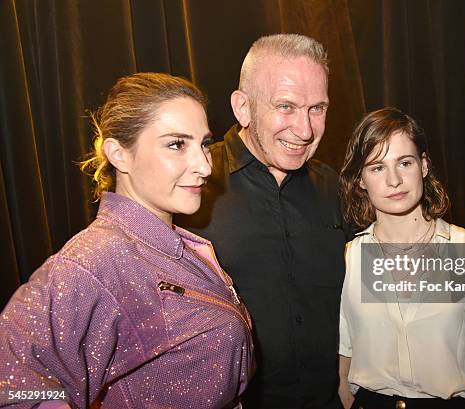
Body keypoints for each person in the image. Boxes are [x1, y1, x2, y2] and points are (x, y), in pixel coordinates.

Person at [0, 73, 253, 408]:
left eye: (203, 143)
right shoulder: (95, 260)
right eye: (177, 144)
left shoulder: (177, 245)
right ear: (119, 154)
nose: (205, 165)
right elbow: (12, 388)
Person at [178, 34, 349, 408]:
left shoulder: (336, 188)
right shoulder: (191, 188)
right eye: (286, 106)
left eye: (317, 108)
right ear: (243, 107)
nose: (304, 130)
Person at [338, 108, 465, 408]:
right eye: (377, 167)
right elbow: (345, 363)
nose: (394, 180)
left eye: (404, 162)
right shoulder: (352, 256)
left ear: (423, 166)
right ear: (360, 179)